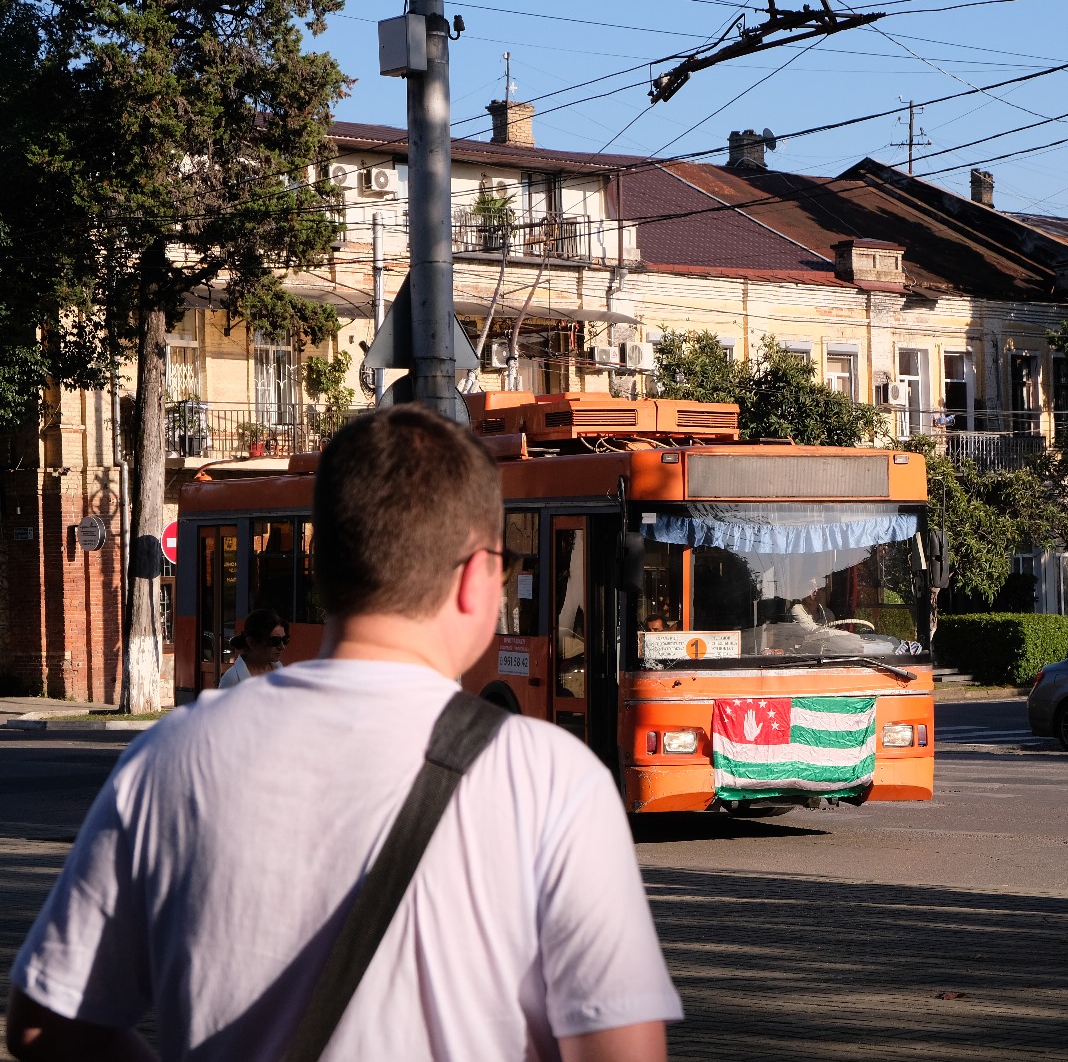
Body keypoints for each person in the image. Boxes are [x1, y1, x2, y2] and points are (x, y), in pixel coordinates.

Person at [7, 406, 681, 1062]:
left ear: (326, 567)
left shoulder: (172, 757)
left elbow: (47, 1025)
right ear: (477, 581)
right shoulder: (552, 780)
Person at [216, 608, 288, 688]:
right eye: (275, 641)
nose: (282, 647)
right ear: (251, 642)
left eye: (285, 640)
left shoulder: (278, 668)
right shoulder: (232, 679)